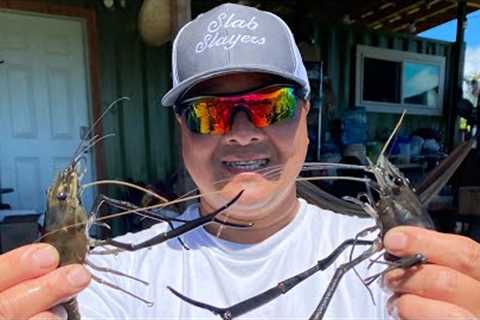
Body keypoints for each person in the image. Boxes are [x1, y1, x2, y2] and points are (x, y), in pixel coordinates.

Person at [0, 3, 479, 319]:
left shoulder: (392, 266)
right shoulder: (113, 278)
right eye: (210, 113)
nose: (244, 132)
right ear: (183, 132)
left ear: (307, 117)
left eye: (274, 105)